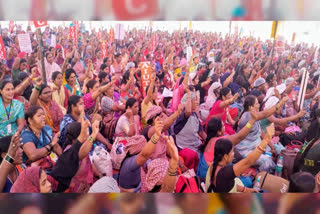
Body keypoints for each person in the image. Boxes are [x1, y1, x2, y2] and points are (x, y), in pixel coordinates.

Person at [11, 114, 101, 193]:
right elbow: (75, 155)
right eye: (44, 183)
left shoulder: (46, 130)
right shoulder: (71, 151)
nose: (49, 185)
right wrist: (90, 136)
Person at [206, 123, 275, 193]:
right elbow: (248, 161)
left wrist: (247, 190)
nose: (233, 154)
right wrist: (266, 140)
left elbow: (229, 185)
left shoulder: (213, 164)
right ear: (225, 156)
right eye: (232, 152)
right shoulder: (224, 173)